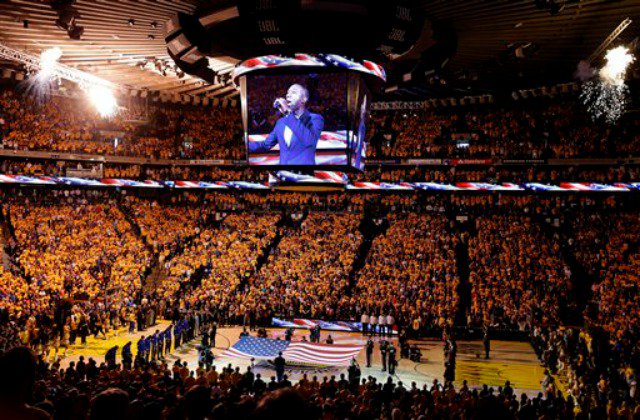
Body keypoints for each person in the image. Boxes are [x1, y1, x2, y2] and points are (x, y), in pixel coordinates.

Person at [247, 84, 324, 165]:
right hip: (282, 175)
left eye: (293, 92)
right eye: (287, 93)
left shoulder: (315, 119)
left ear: (304, 99)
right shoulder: (281, 122)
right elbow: (265, 145)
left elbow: (309, 141)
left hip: (304, 175)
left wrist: (287, 113)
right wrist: (244, 145)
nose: (288, 95)